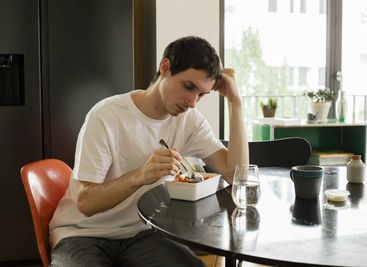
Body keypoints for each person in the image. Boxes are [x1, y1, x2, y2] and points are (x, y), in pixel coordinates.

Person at [49, 36, 248, 267]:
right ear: (165, 68)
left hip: (142, 233)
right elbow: (85, 203)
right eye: (189, 86)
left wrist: (236, 103)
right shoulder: (106, 116)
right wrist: (140, 176)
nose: (192, 102)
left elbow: (236, 175)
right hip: (82, 234)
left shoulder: (190, 121)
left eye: (201, 95)